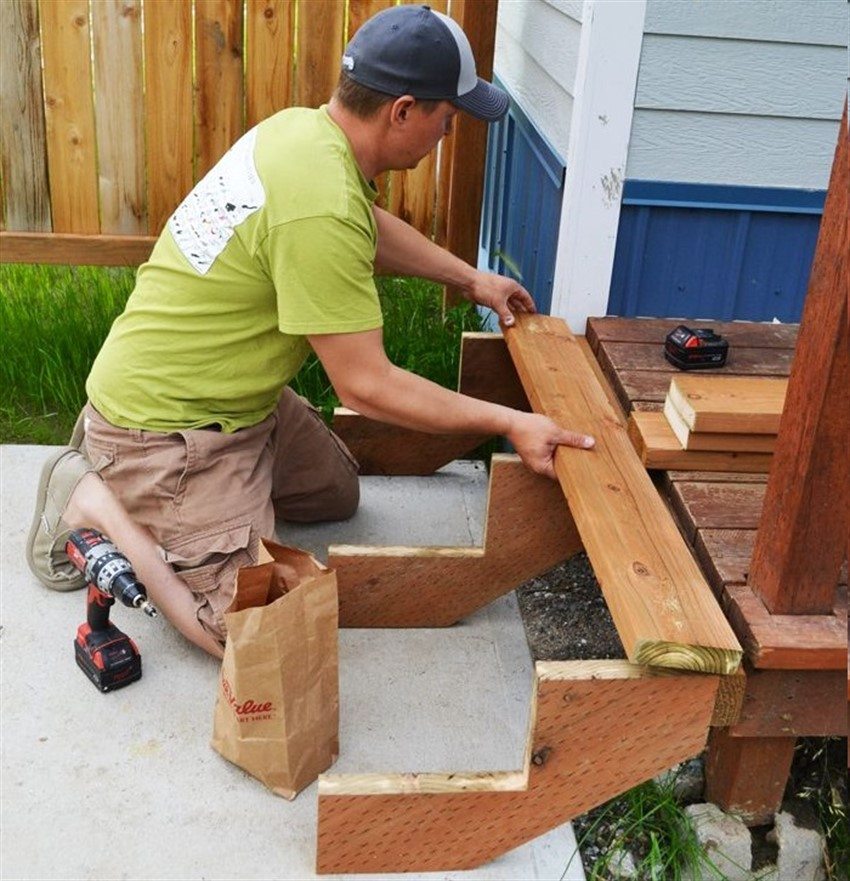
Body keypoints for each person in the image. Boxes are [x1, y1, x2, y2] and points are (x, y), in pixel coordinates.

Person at [26, 4, 594, 659]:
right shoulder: (318, 196)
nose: (449, 131)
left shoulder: (307, 135)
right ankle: (98, 498)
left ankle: (211, 504)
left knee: (334, 494)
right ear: (403, 111)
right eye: (448, 116)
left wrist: (469, 279)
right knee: (255, 638)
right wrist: (511, 420)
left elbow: (363, 226)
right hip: (168, 429)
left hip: (235, 397)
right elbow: (368, 385)